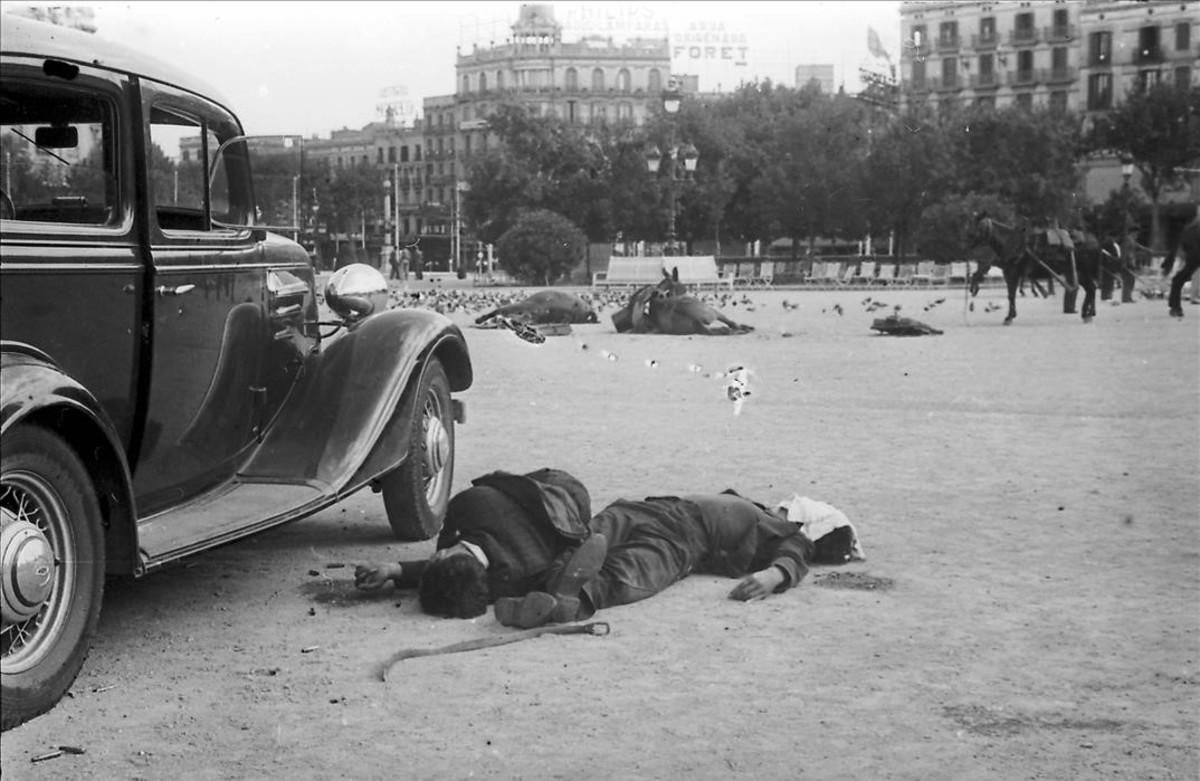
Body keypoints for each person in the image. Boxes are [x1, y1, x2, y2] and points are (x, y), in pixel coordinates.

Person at [356, 470, 819, 630]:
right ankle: (575, 599)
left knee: (576, 546)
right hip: (684, 536)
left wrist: (400, 570)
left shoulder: (723, 498)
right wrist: (777, 575)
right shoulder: (759, 519)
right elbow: (799, 544)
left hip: (637, 509)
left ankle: (561, 580)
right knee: (635, 574)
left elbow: (457, 562)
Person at [1166, 206, 1200, 318]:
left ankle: (1174, 306)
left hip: (1193, 251)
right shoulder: (1192, 228)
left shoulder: (1190, 228)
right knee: (1180, 278)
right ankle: (1175, 306)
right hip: (1195, 251)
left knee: (1179, 279)